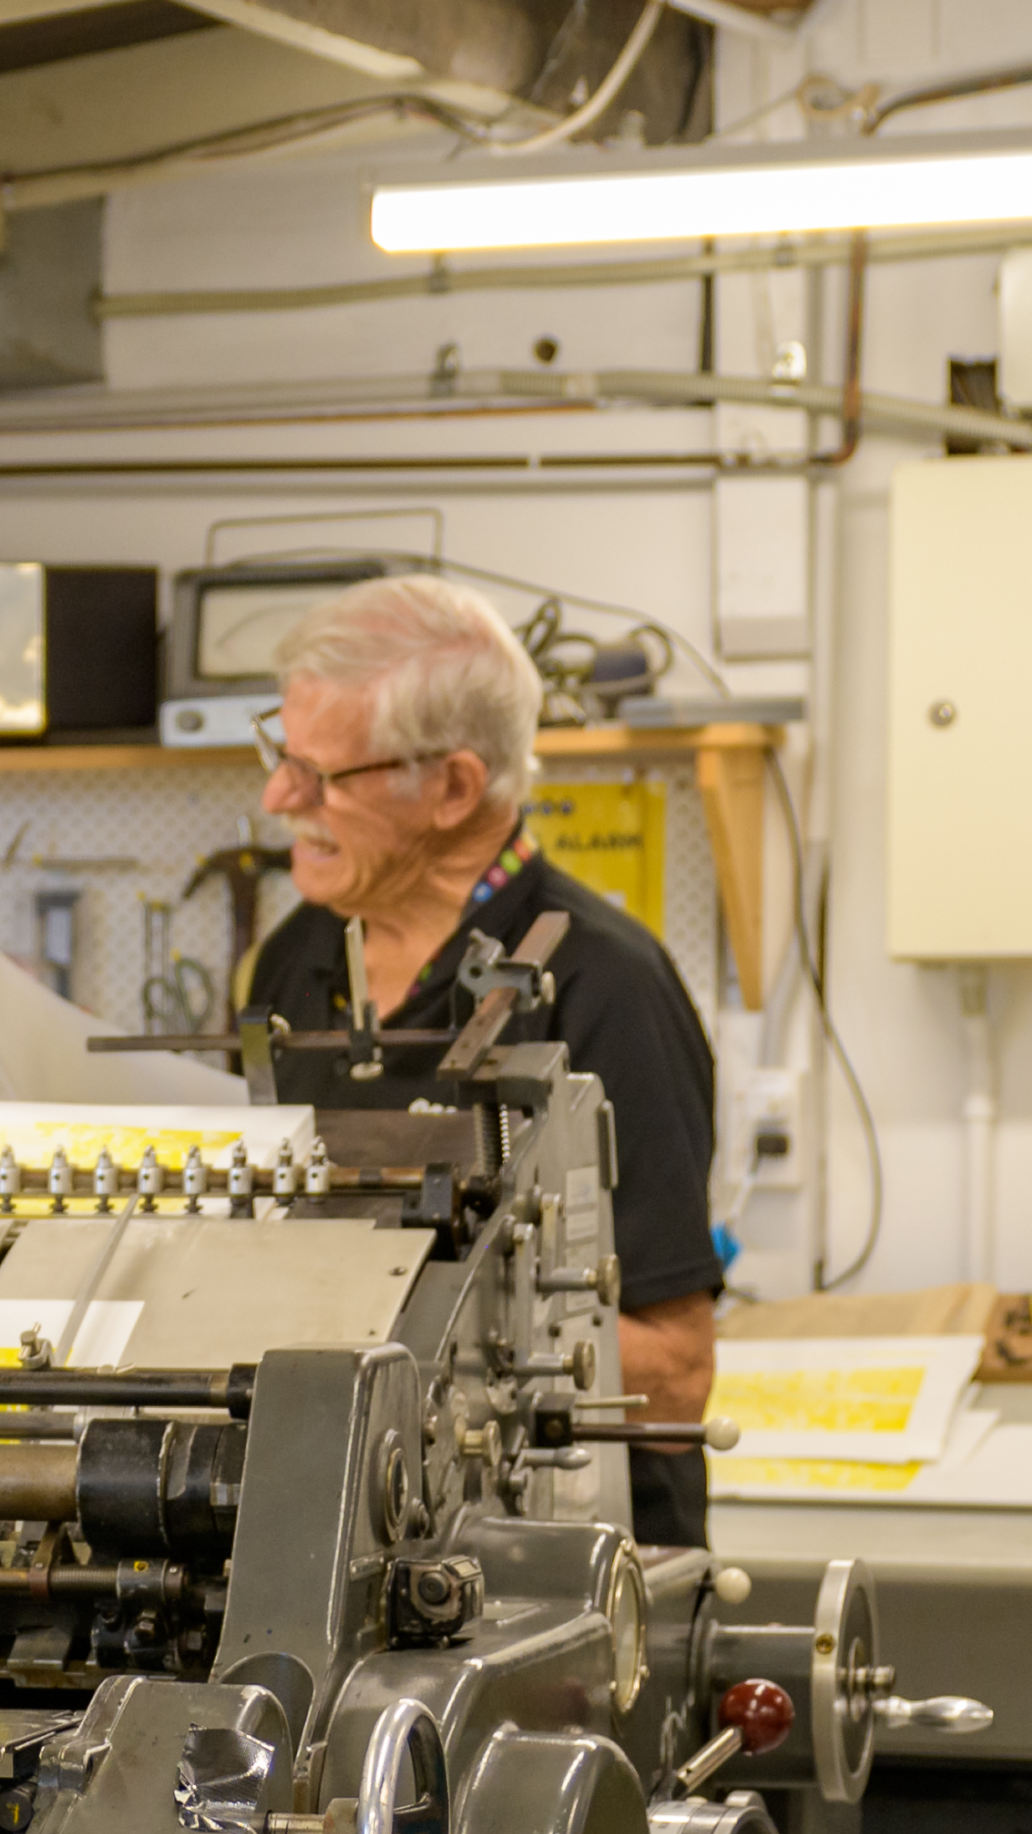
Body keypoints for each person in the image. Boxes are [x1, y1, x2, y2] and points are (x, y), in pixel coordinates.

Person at [235, 574, 729, 1547]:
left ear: (455, 786)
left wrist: (393, 1342)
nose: (278, 796)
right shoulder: (295, 960)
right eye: (279, 755)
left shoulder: (604, 985)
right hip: (348, 1535)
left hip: (561, 1559)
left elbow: (674, 1372)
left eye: (322, 774)